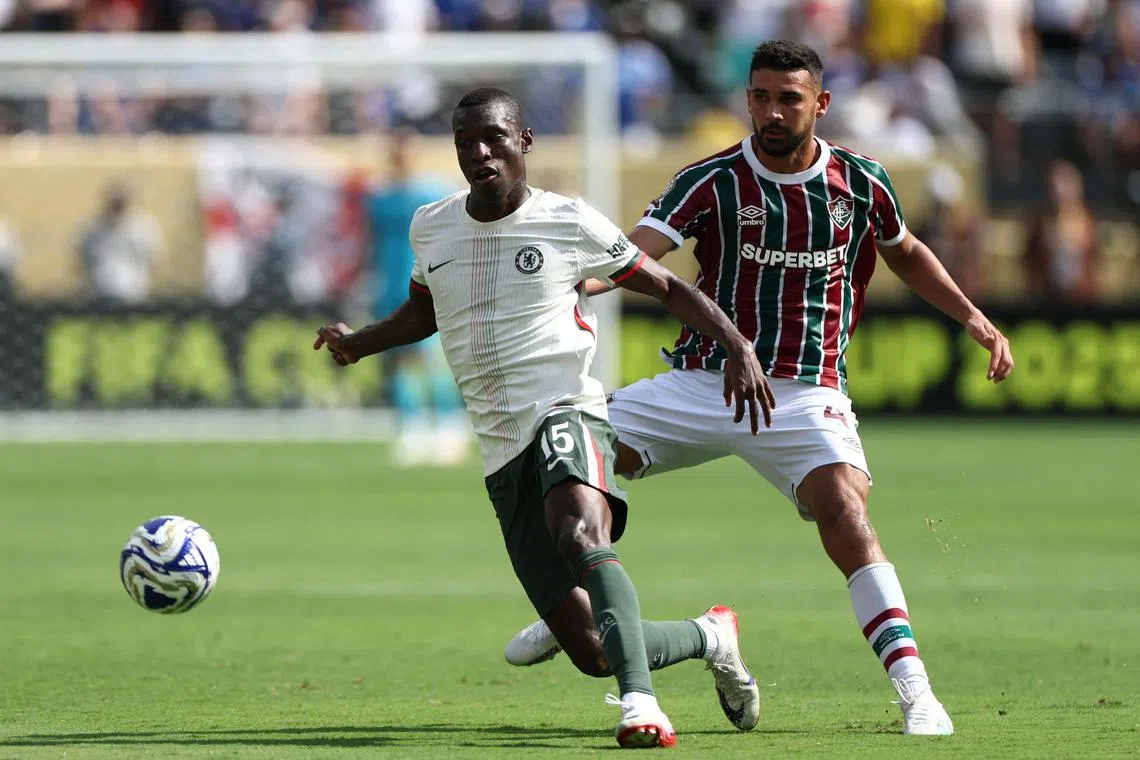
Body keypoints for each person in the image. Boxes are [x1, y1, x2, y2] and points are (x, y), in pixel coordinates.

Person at [504, 41, 1014, 737]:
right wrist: (576, 284)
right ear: (748, 99)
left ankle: (917, 693)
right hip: (704, 380)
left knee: (846, 514)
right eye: (761, 97)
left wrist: (973, 316)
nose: (772, 112)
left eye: (789, 99)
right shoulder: (709, 181)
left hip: (804, 393)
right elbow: (631, 256)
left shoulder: (861, 182)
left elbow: (907, 252)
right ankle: (571, 612)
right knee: (567, 455)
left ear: (821, 104)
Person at [313, 87, 775, 749]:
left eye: (494, 138)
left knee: (580, 534)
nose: (480, 153)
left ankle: (641, 705)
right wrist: (360, 342)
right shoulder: (432, 225)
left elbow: (666, 285)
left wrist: (737, 346)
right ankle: (710, 635)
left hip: (567, 410)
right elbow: (423, 312)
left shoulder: (568, 221)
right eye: (466, 142)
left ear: (524, 141)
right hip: (500, 448)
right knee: (591, 651)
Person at [365, 127, 469, 466]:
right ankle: (413, 426)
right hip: (391, 285)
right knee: (405, 360)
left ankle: (450, 427)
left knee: (433, 359)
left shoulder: (434, 192)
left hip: (431, 285)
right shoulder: (378, 197)